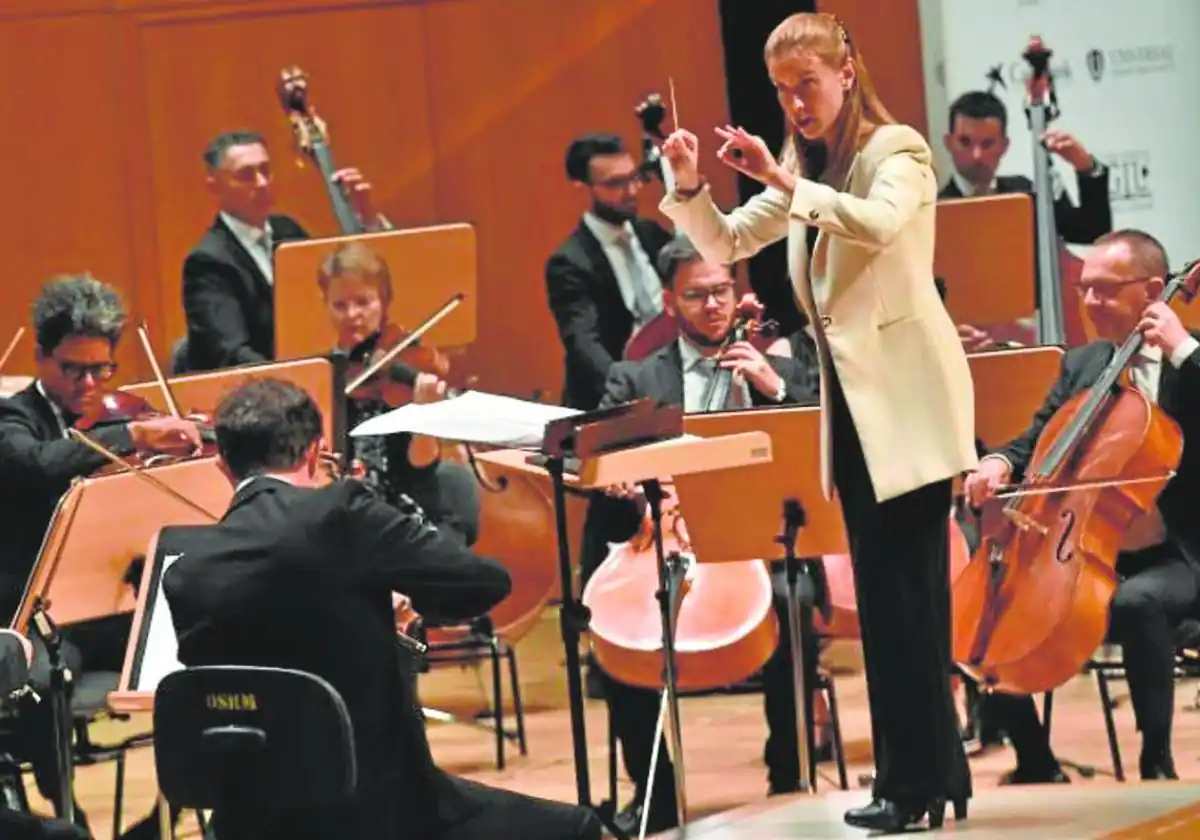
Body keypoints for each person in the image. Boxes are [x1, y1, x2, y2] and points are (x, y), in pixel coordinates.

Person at [659, 12, 974, 833]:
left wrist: (784, 179)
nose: (796, 103)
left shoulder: (895, 150)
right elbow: (726, 243)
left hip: (907, 405)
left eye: (807, 84)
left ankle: (917, 786)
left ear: (846, 71)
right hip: (859, 418)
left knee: (908, 603)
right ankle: (928, 777)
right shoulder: (808, 162)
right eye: (781, 90)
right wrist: (691, 186)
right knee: (886, 601)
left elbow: (875, 222)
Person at [160, 378, 601, 840]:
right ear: (315, 451)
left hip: (252, 824)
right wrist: (402, 608)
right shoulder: (342, 514)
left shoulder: (185, 576)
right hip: (381, 812)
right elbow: (484, 583)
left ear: (221, 464)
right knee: (576, 830)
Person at [581, 236, 819, 833]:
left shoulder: (780, 368)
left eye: (722, 291)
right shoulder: (633, 378)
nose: (713, 305)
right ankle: (655, 787)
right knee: (623, 628)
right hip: (666, 540)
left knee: (795, 601)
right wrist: (623, 484)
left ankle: (790, 774)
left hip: (758, 541)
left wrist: (774, 389)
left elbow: (822, 440)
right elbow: (601, 463)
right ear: (669, 302)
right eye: (696, 295)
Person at [962, 228, 1200, 784]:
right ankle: (1035, 759)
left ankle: (1156, 761)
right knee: (992, 605)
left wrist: (1184, 350)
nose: (1089, 303)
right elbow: (1038, 436)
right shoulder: (1083, 364)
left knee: (1138, 602)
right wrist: (998, 462)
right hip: (1086, 548)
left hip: (1178, 554)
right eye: (1084, 290)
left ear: (1149, 292)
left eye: (1104, 290)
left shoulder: (1191, 359)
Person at [0, 275, 202, 839]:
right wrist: (132, 437)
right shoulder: (13, 419)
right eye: (73, 370)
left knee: (193, 643)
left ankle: (168, 813)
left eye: (101, 370)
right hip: (30, 612)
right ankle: (68, 823)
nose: (89, 384)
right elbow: (38, 463)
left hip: (105, 604)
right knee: (42, 681)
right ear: (41, 357)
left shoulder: (109, 420)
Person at [182, 130, 390, 373]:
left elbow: (344, 287)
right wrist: (296, 378)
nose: (261, 183)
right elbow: (231, 353)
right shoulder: (207, 262)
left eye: (266, 171)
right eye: (246, 175)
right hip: (261, 394)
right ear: (215, 186)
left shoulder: (288, 231)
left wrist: (367, 219)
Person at [315, 241, 479, 546]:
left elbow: (420, 469)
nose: (352, 315)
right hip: (346, 512)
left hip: (406, 507)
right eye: (340, 305)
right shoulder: (324, 375)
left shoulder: (407, 359)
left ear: (384, 301)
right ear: (325, 304)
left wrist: (425, 415)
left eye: (363, 302)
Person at [939, 91, 1113, 353]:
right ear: (949, 142)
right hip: (968, 352)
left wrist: (1085, 166)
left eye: (987, 144)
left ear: (1004, 145)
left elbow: (1091, 230)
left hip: (1034, 341)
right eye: (966, 142)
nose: (976, 155)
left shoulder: (1027, 193)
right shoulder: (934, 211)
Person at [545, 133, 675, 410]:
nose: (632, 191)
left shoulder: (652, 235)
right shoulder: (569, 263)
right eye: (615, 183)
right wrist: (628, 391)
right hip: (609, 399)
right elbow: (584, 344)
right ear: (583, 188)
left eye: (634, 177)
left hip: (668, 385)